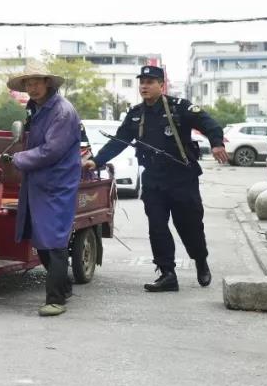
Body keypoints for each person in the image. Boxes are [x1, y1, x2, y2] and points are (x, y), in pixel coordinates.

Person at [85, 65, 227, 293]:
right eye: (142, 82)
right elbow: (119, 141)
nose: (144, 86)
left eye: (150, 82)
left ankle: (200, 260)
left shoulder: (180, 108)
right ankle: (167, 273)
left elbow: (209, 123)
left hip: (182, 177)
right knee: (157, 227)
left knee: (189, 227)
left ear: (162, 85)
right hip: (153, 179)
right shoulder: (135, 114)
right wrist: (97, 160)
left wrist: (217, 143)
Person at [1, 63, 81, 317]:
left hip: (57, 183)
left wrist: (19, 159)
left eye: (36, 81)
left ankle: (55, 299)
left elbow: (52, 150)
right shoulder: (36, 109)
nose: (32, 87)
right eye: (27, 83)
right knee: (41, 240)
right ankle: (64, 286)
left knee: (54, 240)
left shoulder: (62, 112)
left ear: (48, 82)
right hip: (38, 181)